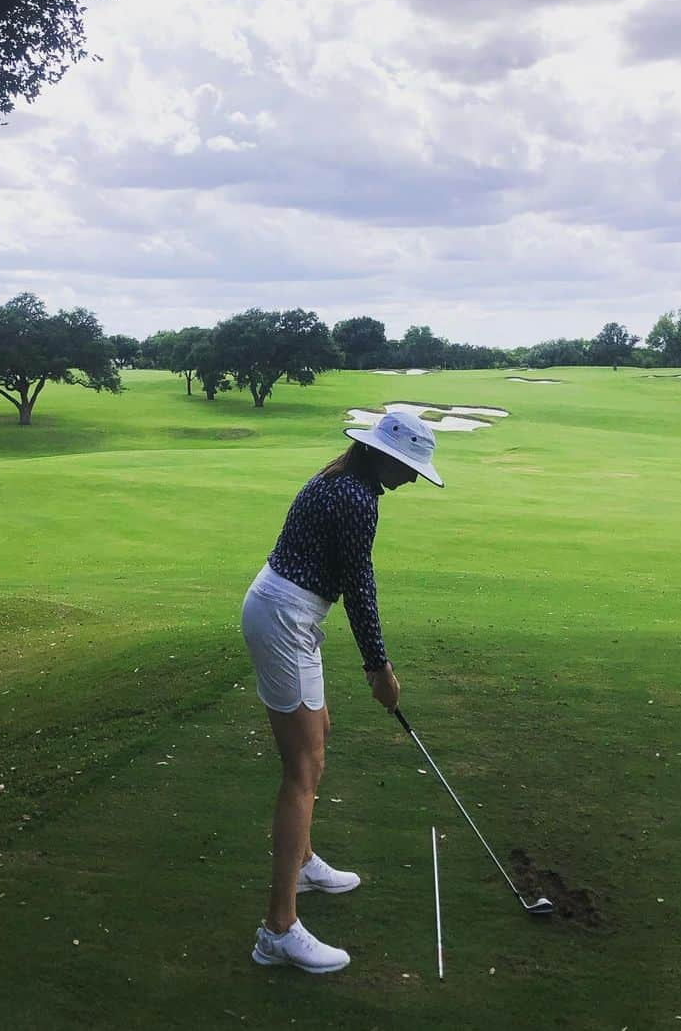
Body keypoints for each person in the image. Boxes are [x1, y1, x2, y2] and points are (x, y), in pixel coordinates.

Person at [241, 409, 444, 974]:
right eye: (407, 466)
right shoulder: (356, 497)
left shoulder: (342, 478)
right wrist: (379, 667)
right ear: (383, 454)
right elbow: (360, 585)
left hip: (290, 615)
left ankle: (303, 864)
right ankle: (277, 930)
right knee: (301, 770)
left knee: (318, 736)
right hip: (284, 617)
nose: (410, 478)